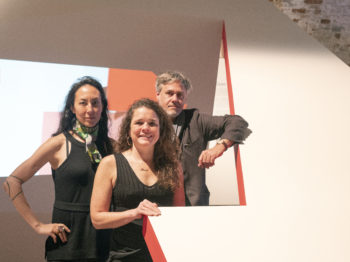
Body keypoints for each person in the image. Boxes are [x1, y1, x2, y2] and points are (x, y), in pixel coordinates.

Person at [3, 76, 115, 261]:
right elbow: (12, 182)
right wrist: (38, 226)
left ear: (103, 107)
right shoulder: (58, 144)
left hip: (103, 243)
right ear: (72, 107)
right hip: (67, 244)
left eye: (96, 103)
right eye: (83, 103)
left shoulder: (112, 147)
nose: (90, 109)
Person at [90, 98, 185, 262]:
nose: (145, 128)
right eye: (139, 123)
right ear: (128, 129)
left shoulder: (174, 166)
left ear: (161, 130)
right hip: (124, 256)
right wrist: (135, 213)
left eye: (152, 124)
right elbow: (97, 219)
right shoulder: (110, 164)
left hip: (164, 255)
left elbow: (180, 216)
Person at [156, 71, 252, 206]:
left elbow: (237, 122)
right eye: (170, 93)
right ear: (158, 95)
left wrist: (219, 147)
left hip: (193, 206)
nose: (175, 99)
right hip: (156, 207)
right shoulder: (146, 123)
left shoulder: (196, 120)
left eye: (180, 95)